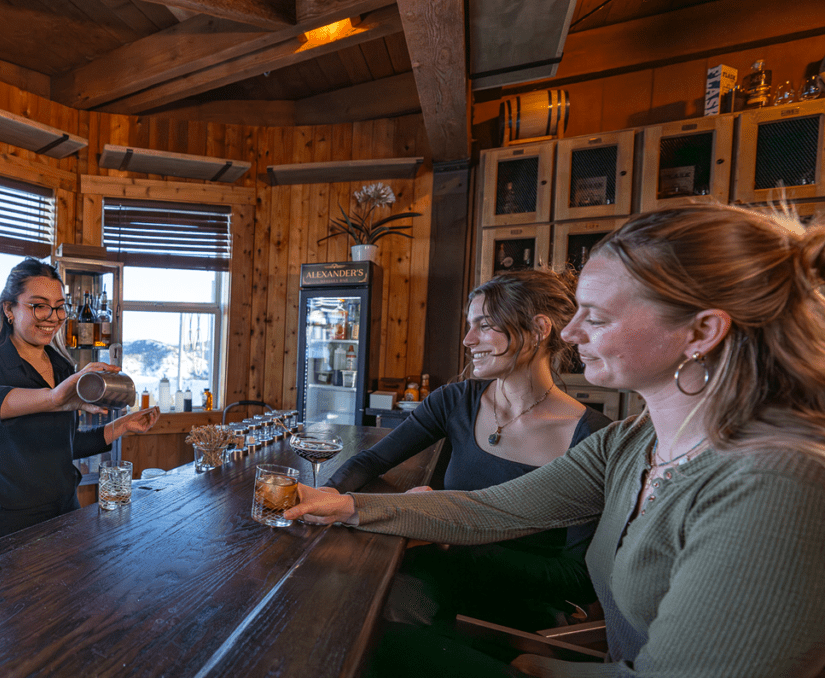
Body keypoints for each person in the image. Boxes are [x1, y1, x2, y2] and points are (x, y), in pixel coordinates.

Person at [285, 204, 825, 677]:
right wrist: (344, 505)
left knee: (369, 653)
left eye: (598, 316)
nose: (569, 333)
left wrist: (548, 669)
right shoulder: (632, 441)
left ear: (702, 332)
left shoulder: (778, 482)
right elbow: (492, 511)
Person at [323, 269, 611, 630]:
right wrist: (325, 496)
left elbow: (578, 577)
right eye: (469, 325)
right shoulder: (455, 401)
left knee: (377, 620)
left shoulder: (592, 436)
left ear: (539, 329)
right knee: (346, 594)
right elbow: (374, 459)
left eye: (485, 325)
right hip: (444, 573)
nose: (467, 340)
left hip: (518, 607)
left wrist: (450, 537)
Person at [0, 258, 160, 551]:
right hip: (3, 524)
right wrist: (53, 398)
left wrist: (120, 426)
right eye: (39, 305)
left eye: (59, 307)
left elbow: (65, 445)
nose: (52, 317)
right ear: (9, 309)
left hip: (63, 514)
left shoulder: (60, 365)